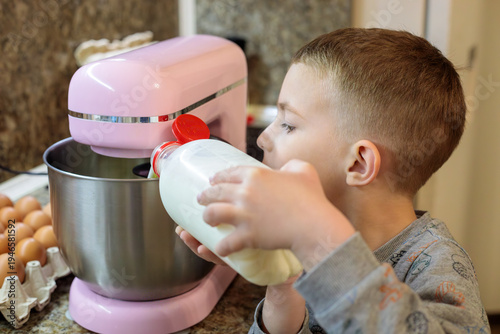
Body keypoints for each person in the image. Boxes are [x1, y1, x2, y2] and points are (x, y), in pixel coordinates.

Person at [176, 28, 490, 333]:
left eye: (288, 124)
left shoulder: (436, 263)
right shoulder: (299, 242)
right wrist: (284, 284)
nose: (263, 140)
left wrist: (314, 238)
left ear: (358, 163)